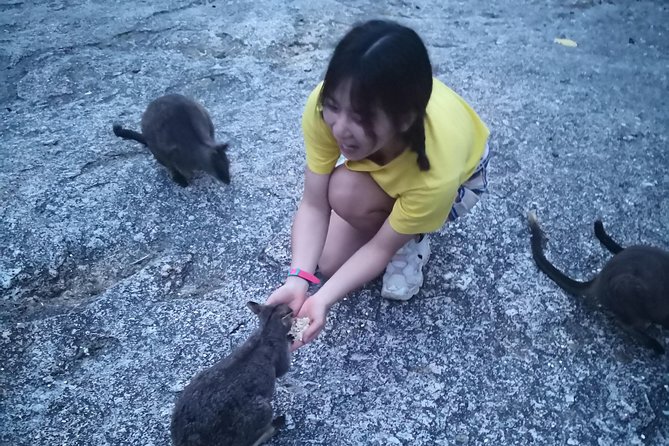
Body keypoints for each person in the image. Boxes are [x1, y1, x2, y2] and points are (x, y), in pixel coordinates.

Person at [267, 19, 490, 350]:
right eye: (334, 106)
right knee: (327, 262)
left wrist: (323, 300)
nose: (340, 128)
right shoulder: (322, 107)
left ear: (403, 120)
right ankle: (397, 217)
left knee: (352, 202)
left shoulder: (435, 176)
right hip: (397, 148)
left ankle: (413, 237)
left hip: (462, 178)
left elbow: (379, 248)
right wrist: (300, 280)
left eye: (360, 117)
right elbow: (313, 202)